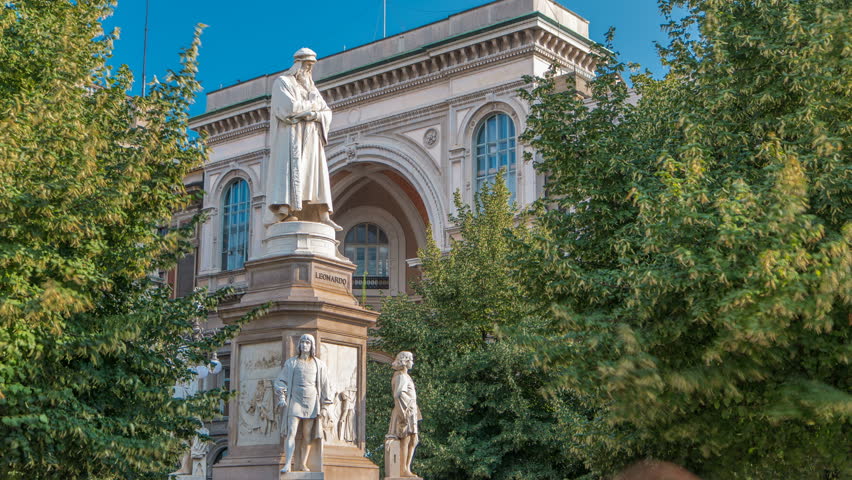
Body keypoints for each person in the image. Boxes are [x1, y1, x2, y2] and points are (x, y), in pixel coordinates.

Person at [266, 47, 341, 230]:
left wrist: (312, 114)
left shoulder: (312, 89)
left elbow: (326, 112)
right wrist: (312, 108)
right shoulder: (282, 83)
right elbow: (288, 109)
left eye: (311, 67)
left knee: (315, 176)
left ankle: (322, 214)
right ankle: (287, 211)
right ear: (297, 64)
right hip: (291, 139)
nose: (308, 71)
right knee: (292, 174)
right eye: (306, 65)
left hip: (312, 140)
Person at [274, 334, 333, 473]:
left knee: (307, 435)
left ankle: (303, 464)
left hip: (312, 401)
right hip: (295, 400)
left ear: (312, 346)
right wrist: (281, 393)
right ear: (299, 345)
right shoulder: (291, 363)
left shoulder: (319, 364)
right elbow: (280, 380)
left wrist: (325, 406)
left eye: (308, 342)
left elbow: (325, 385)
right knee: (291, 432)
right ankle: (288, 463)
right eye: (303, 342)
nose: (305, 345)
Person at [387, 351, 422, 478]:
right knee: (406, 439)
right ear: (405, 361)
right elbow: (398, 394)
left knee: (414, 439)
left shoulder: (406, 376)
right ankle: (403, 469)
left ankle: (407, 467)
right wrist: (403, 414)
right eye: (411, 360)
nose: (412, 362)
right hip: (405, 411)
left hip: (411, 410)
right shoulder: (401, 376)